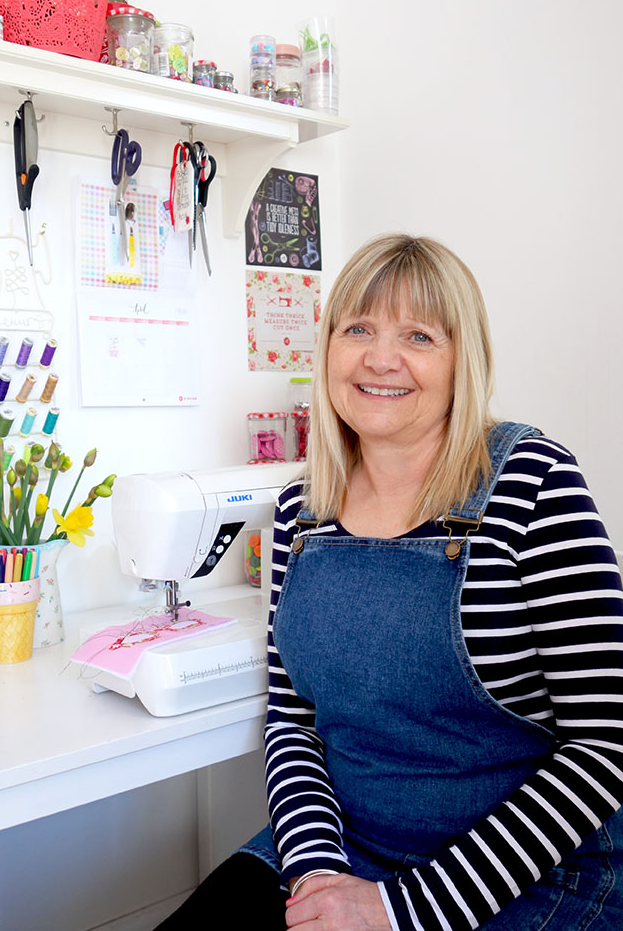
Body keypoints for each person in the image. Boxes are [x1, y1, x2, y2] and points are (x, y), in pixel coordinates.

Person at [157, 234, 623, 930]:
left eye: (419, 335)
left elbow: (606, 744)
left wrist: (397, 909)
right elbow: (294, 719)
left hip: (530, 873)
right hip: (350, 847)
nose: (381, 357)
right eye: (359, 329)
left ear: (464, 361)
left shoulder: (533, 481)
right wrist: (317, 867)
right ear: (330, 350)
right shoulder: (299, 512)